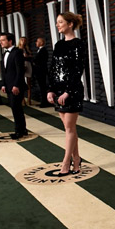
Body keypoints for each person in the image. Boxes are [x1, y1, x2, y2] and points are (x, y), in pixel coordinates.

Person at [47, 12, 86, 177]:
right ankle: (76, 159)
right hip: (59, 92)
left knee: (69, 129)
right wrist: (51, 89)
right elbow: (53, 69)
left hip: (72, 91)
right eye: (57, 22)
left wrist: (68, 92)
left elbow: (78, 70)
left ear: (70, 24)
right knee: (69, 129)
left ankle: (66, 163)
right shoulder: (58, 45)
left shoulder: (79, 44)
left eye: (61, 22)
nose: (58, 25)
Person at [0, 32, 28, 139]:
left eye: (3, 40)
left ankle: (19, 131)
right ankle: (22, 129)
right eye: (0, 40)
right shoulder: (4, 54)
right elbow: (4, 71)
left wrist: (16, 85)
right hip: (8, 86)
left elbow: (20, 71)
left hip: (16, 86)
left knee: (16, 108)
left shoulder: (17, 52)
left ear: (10, 41)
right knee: (15, 108)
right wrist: (3, 84)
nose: (0, 42)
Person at [33, 37, 50, 107]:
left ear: (41, 43)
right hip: (39, 71)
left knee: (43, 87)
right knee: (41, 87)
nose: (36, 43)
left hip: (41, 72)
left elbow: (40, 61)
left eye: (37, 41)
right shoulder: (40, 50)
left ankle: (44, 102)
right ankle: (43, 101)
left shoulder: (43, 50)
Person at [18, 36, 33, 105]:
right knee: (21, 83)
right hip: (21, 65)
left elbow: (31, 56)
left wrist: (28, 56)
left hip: (28, 64)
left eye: (25, 40)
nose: (23, 41)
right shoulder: (17, 49)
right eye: (22, 40)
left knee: (29, 83)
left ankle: (29, 99)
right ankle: (22, 99)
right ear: (20, 41)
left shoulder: (28, 48)